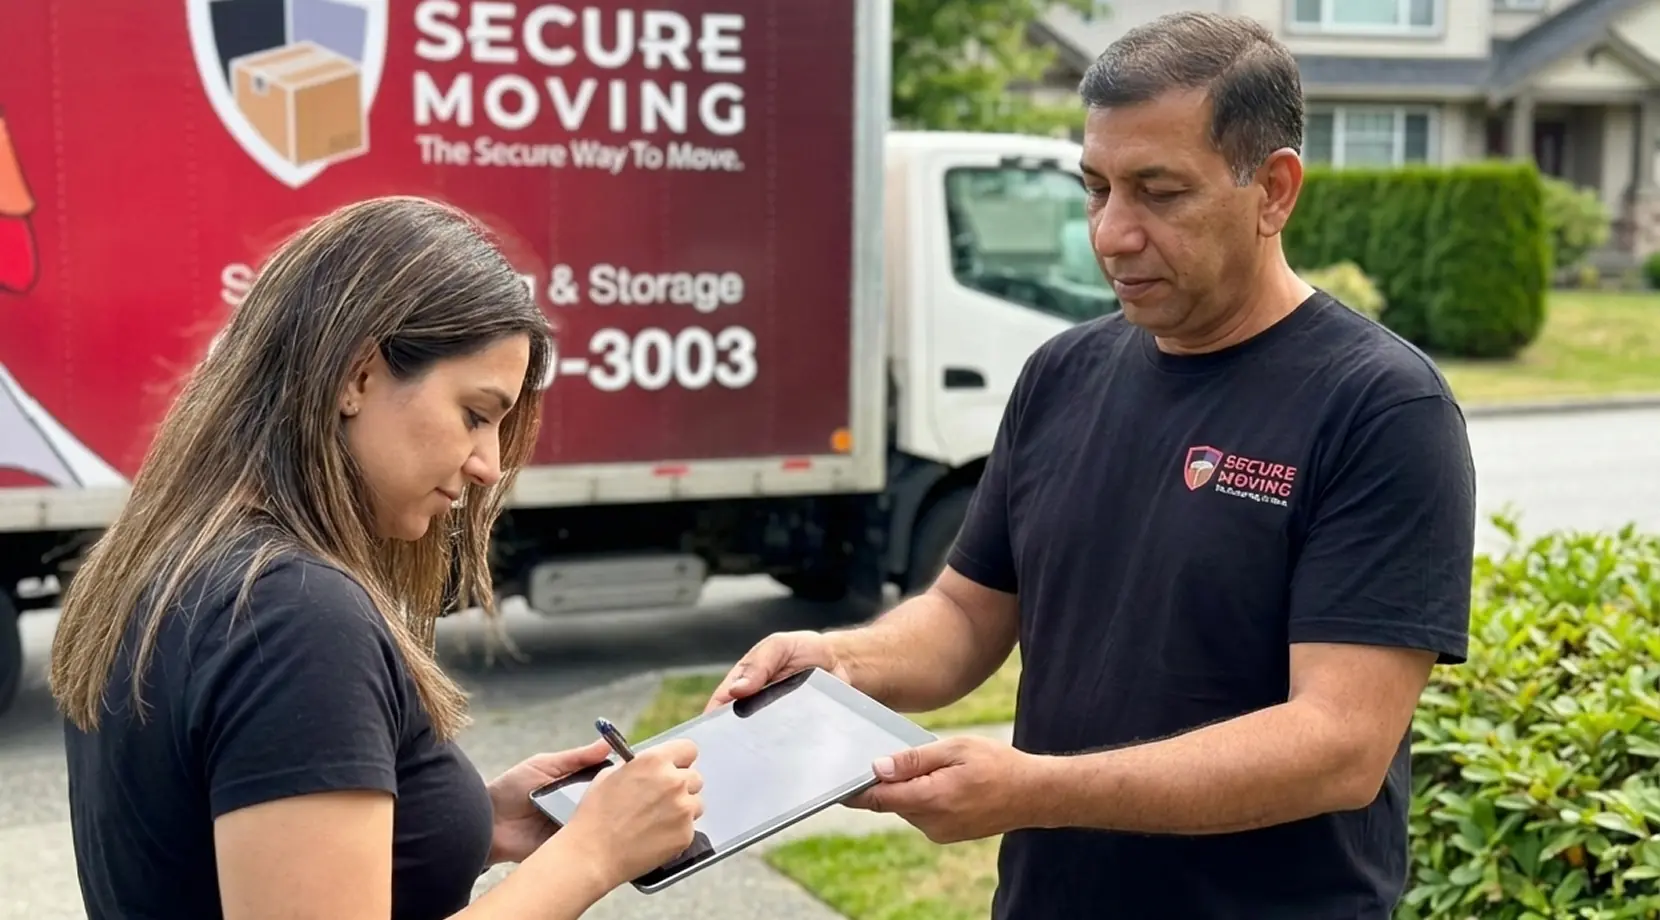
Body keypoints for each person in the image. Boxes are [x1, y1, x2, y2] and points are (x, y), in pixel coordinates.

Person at [705, 12, 1476, 920]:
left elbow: (1339, 745)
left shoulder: (1381, 409)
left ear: (1273, 191)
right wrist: (838, 660)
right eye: (1097, 187)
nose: (1111, 234)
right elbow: (964, 616)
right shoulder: (1062, 372)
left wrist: (1036, 789)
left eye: (1159, 192)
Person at [48, 196, 705, 920]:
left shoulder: (171, 560)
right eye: (476, 414)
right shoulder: (292, 613)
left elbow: (236, 840)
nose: (489, 463)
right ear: (358, 376)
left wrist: (477, 820)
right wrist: (596, 852)